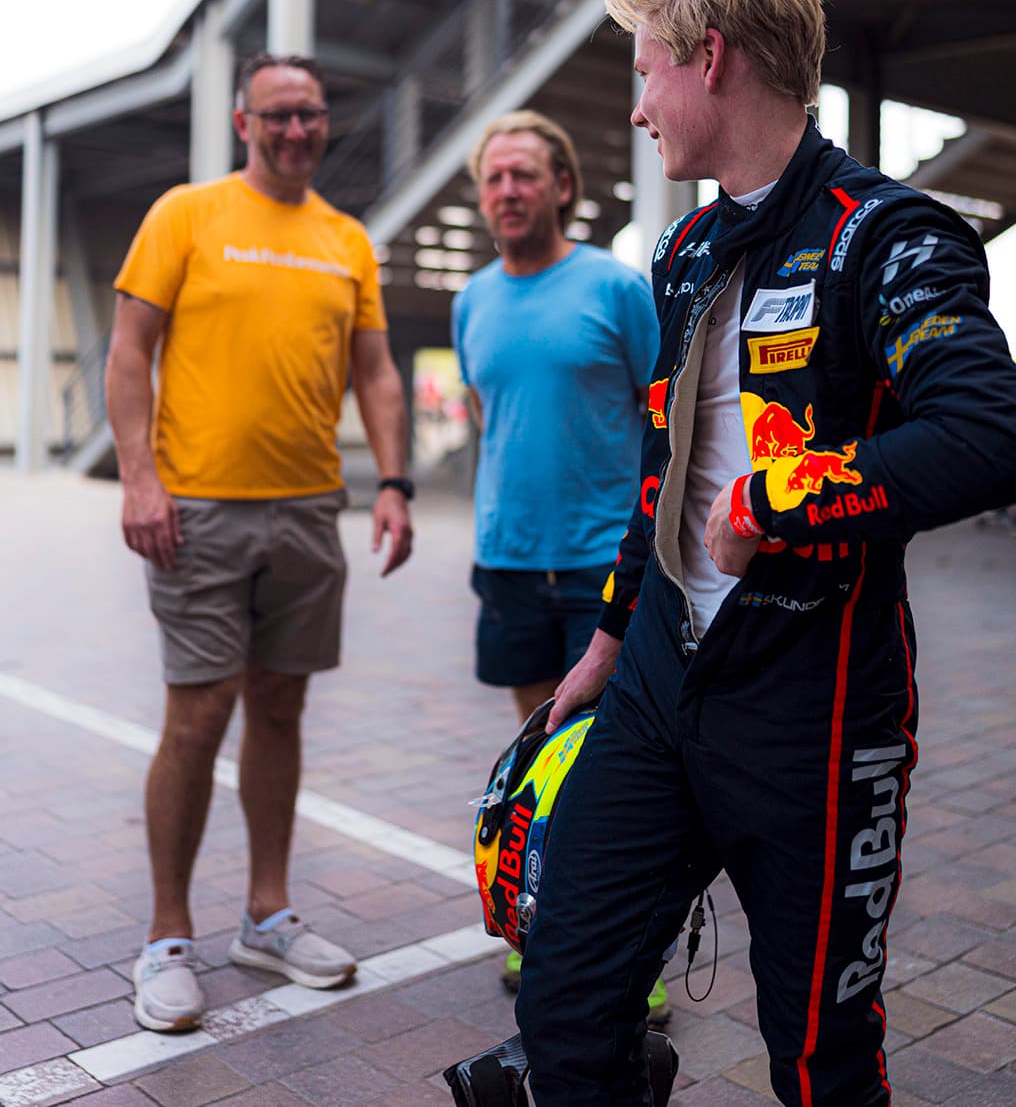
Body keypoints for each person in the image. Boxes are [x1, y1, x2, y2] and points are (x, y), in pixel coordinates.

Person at [514, 0, 1016, 1106]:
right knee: (564, 1005)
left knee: (815, 1055)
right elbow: (661, 466)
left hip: (816, 707)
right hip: (650, 682)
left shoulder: (886, 236)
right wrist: (601, 639)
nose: (635, 109)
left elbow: (985, 431)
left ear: (708, 56)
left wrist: (784, 503)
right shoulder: (680, 249)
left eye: (643, 71)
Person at [105, 52, 414, 1034]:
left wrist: (396, 482)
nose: (295, 130)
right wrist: (141, 479)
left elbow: (375, 373)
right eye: (277, 115)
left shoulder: (345, 239)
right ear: (244, 122)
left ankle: (267, 917)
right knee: (196, 720)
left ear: (324, 123)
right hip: (196, 511)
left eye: (310, 115)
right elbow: (127, 353)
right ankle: (165, 937)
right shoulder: (185, 215)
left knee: (278, 712)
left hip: (307, 512)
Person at [452, 110, 660, 1001]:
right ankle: (538, 927)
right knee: (539, 761)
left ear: (563, 187)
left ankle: (629, 959)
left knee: (608, 767)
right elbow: (484, 415)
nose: (507, 191)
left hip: (599, 568)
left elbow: (667, 422)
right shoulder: (471, 300)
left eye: (525, 175)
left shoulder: (616, 290)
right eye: (494, 177)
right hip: (507, 561)